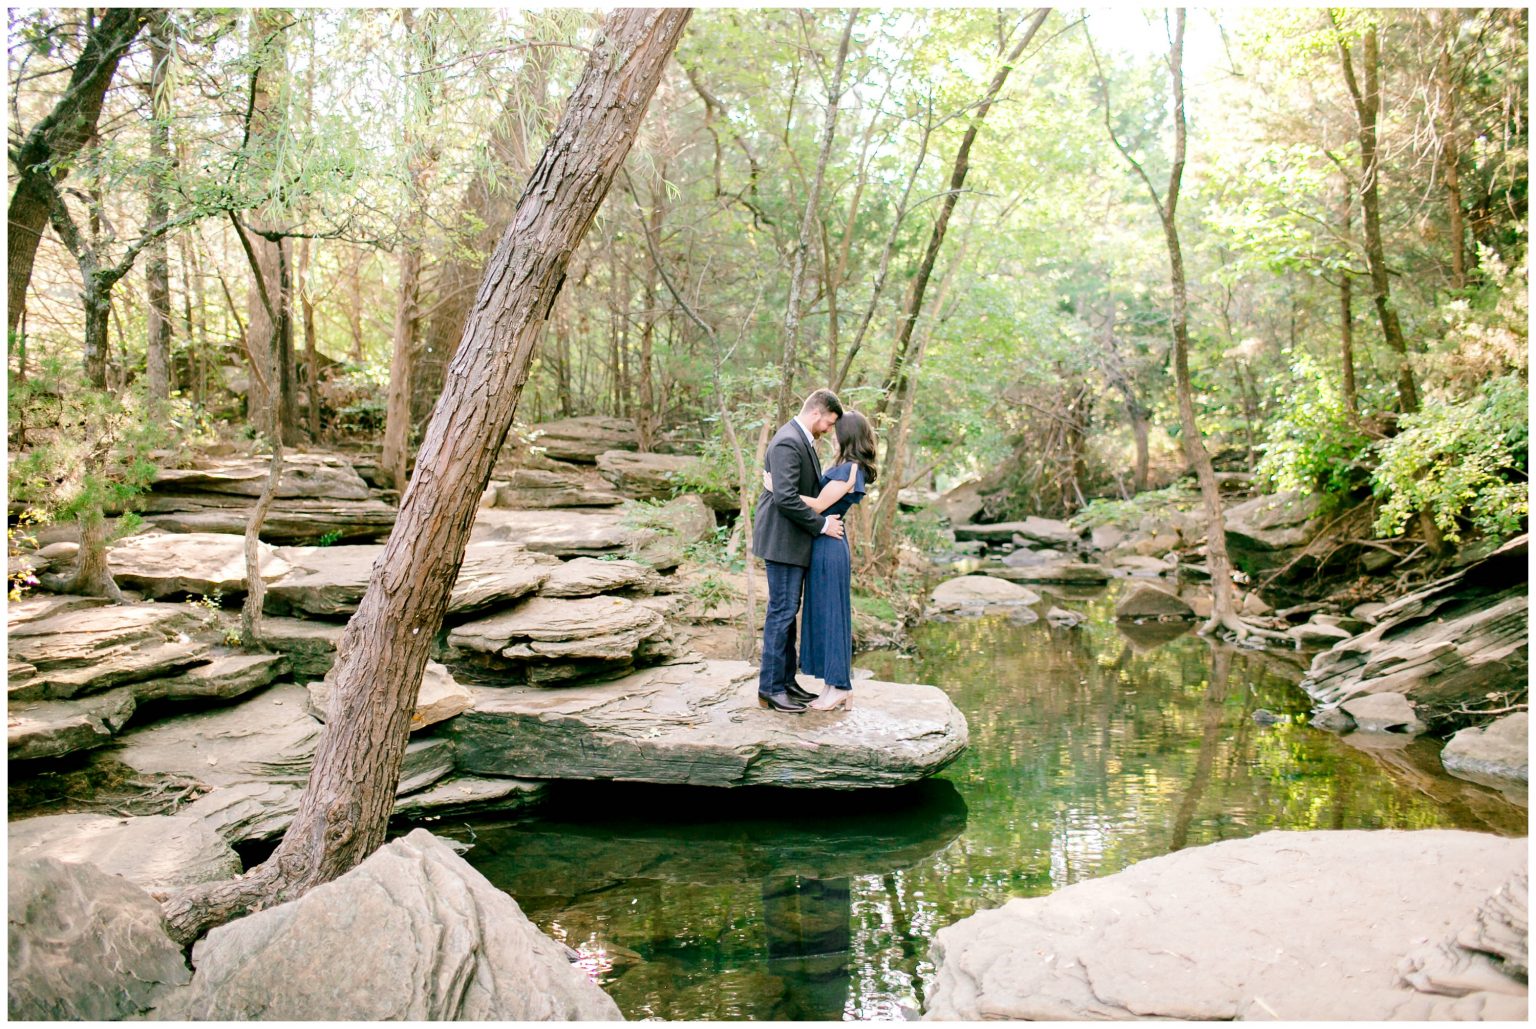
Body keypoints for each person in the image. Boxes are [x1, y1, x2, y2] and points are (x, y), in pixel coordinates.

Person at [778, 409, 878, 711]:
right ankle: (832, 686)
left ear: (846, 434)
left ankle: (839, 687)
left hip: (830, 545)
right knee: (822, 612)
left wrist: (779, 489)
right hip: (824, 542)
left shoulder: (850, 468)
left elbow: (821, 504)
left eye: (836, 429)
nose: (831, 432)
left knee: (831, 613)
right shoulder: (847, 466)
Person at [753, 389, 844, 713]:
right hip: (781, 541)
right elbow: (786, 498)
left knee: (788, 613)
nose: (830, 430)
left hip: (792, 541)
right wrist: (821, 526)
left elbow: (795, 491)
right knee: (781, 612)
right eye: (830, 423)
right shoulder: (788, 440)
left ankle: (787, 682)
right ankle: (770, 688)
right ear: (818, 413)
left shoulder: (802, 440)